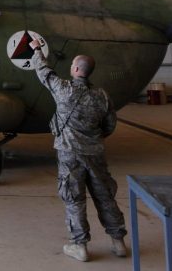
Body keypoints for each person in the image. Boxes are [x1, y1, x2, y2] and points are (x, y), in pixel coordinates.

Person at [29, 39, 128, 262]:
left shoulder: (64, 89)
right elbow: (110, 125)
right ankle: (118, 242)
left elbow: (43, 71)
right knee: (105, 197)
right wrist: (93, 138)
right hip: (95, 154)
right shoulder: (102, 95)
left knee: (74, 199)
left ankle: (80, 245)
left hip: (69, 154)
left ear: (75, 69)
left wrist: (36, 49)